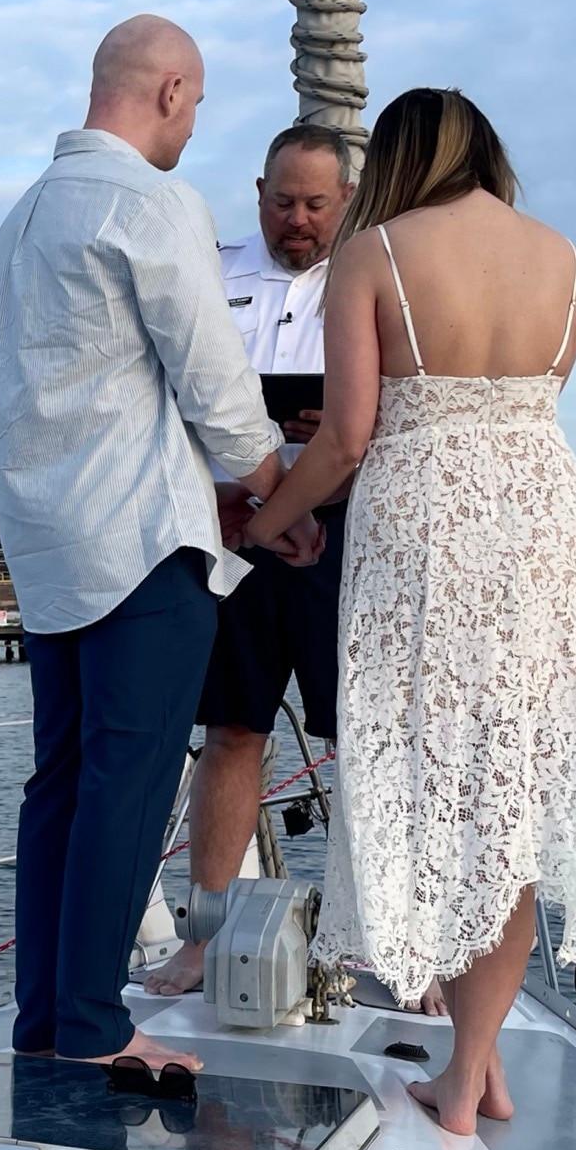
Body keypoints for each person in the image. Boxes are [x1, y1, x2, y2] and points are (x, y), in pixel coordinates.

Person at [243, 88, 576, 1134]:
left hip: (426, 530)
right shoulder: (563, 257)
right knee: (512, 788)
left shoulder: (373, 254)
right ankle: (478, 1064)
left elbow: (347, 436)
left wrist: (267, 519)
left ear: (398, 162)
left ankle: (462, 1081)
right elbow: (533, 405)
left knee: (439, 781)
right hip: (544, 520)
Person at [0, 14, 320, 1073]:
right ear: (170, 90)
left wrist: (205, 486)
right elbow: (210, 374)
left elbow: (76, 395)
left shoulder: (20, 220)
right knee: (126, 783)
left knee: (61, 784)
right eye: (200, 100)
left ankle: (43, 1016)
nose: (195, 120)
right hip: (141, 549)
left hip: (49, 540)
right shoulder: (151, 202)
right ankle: (90, 1027)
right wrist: (275, 491)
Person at [145, 123, 361, 1002]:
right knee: (231, 730)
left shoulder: (371, 277)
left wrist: (341, 433)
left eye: (314, 204)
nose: (296, 221)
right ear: (257, 192)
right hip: (229, 529)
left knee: (358, 740)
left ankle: (373, 943)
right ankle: (205, 937)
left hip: (336, 532)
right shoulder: (211, 269)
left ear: (344, 201)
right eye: (281, 201)